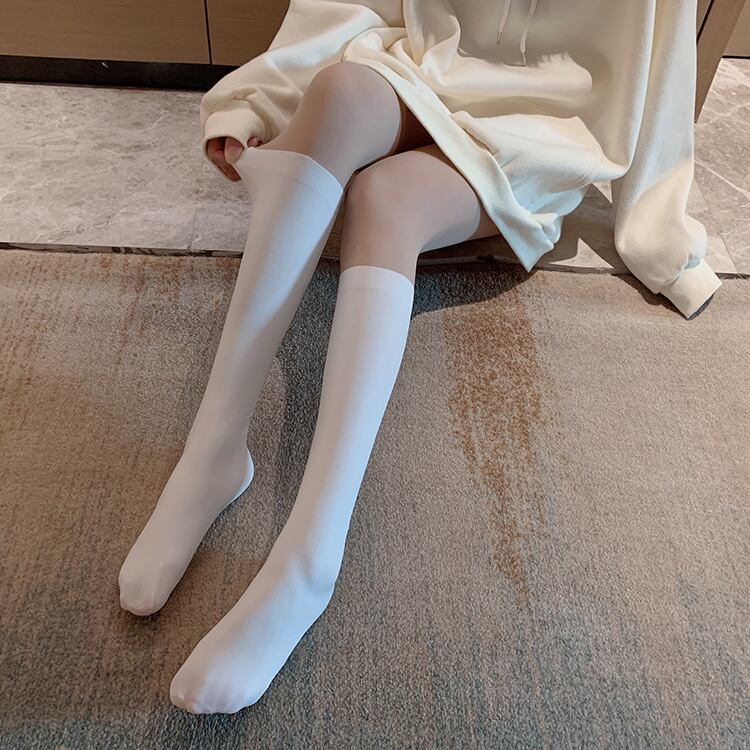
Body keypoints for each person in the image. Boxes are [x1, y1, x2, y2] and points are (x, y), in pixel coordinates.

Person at [118, 0, 720, 714]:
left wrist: (663, 238)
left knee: (386, 197)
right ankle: (214, 451)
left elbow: (664, 61)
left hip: (542, 130)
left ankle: (311, 556)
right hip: (428, 69)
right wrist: (258, 99)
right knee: (340, 92)